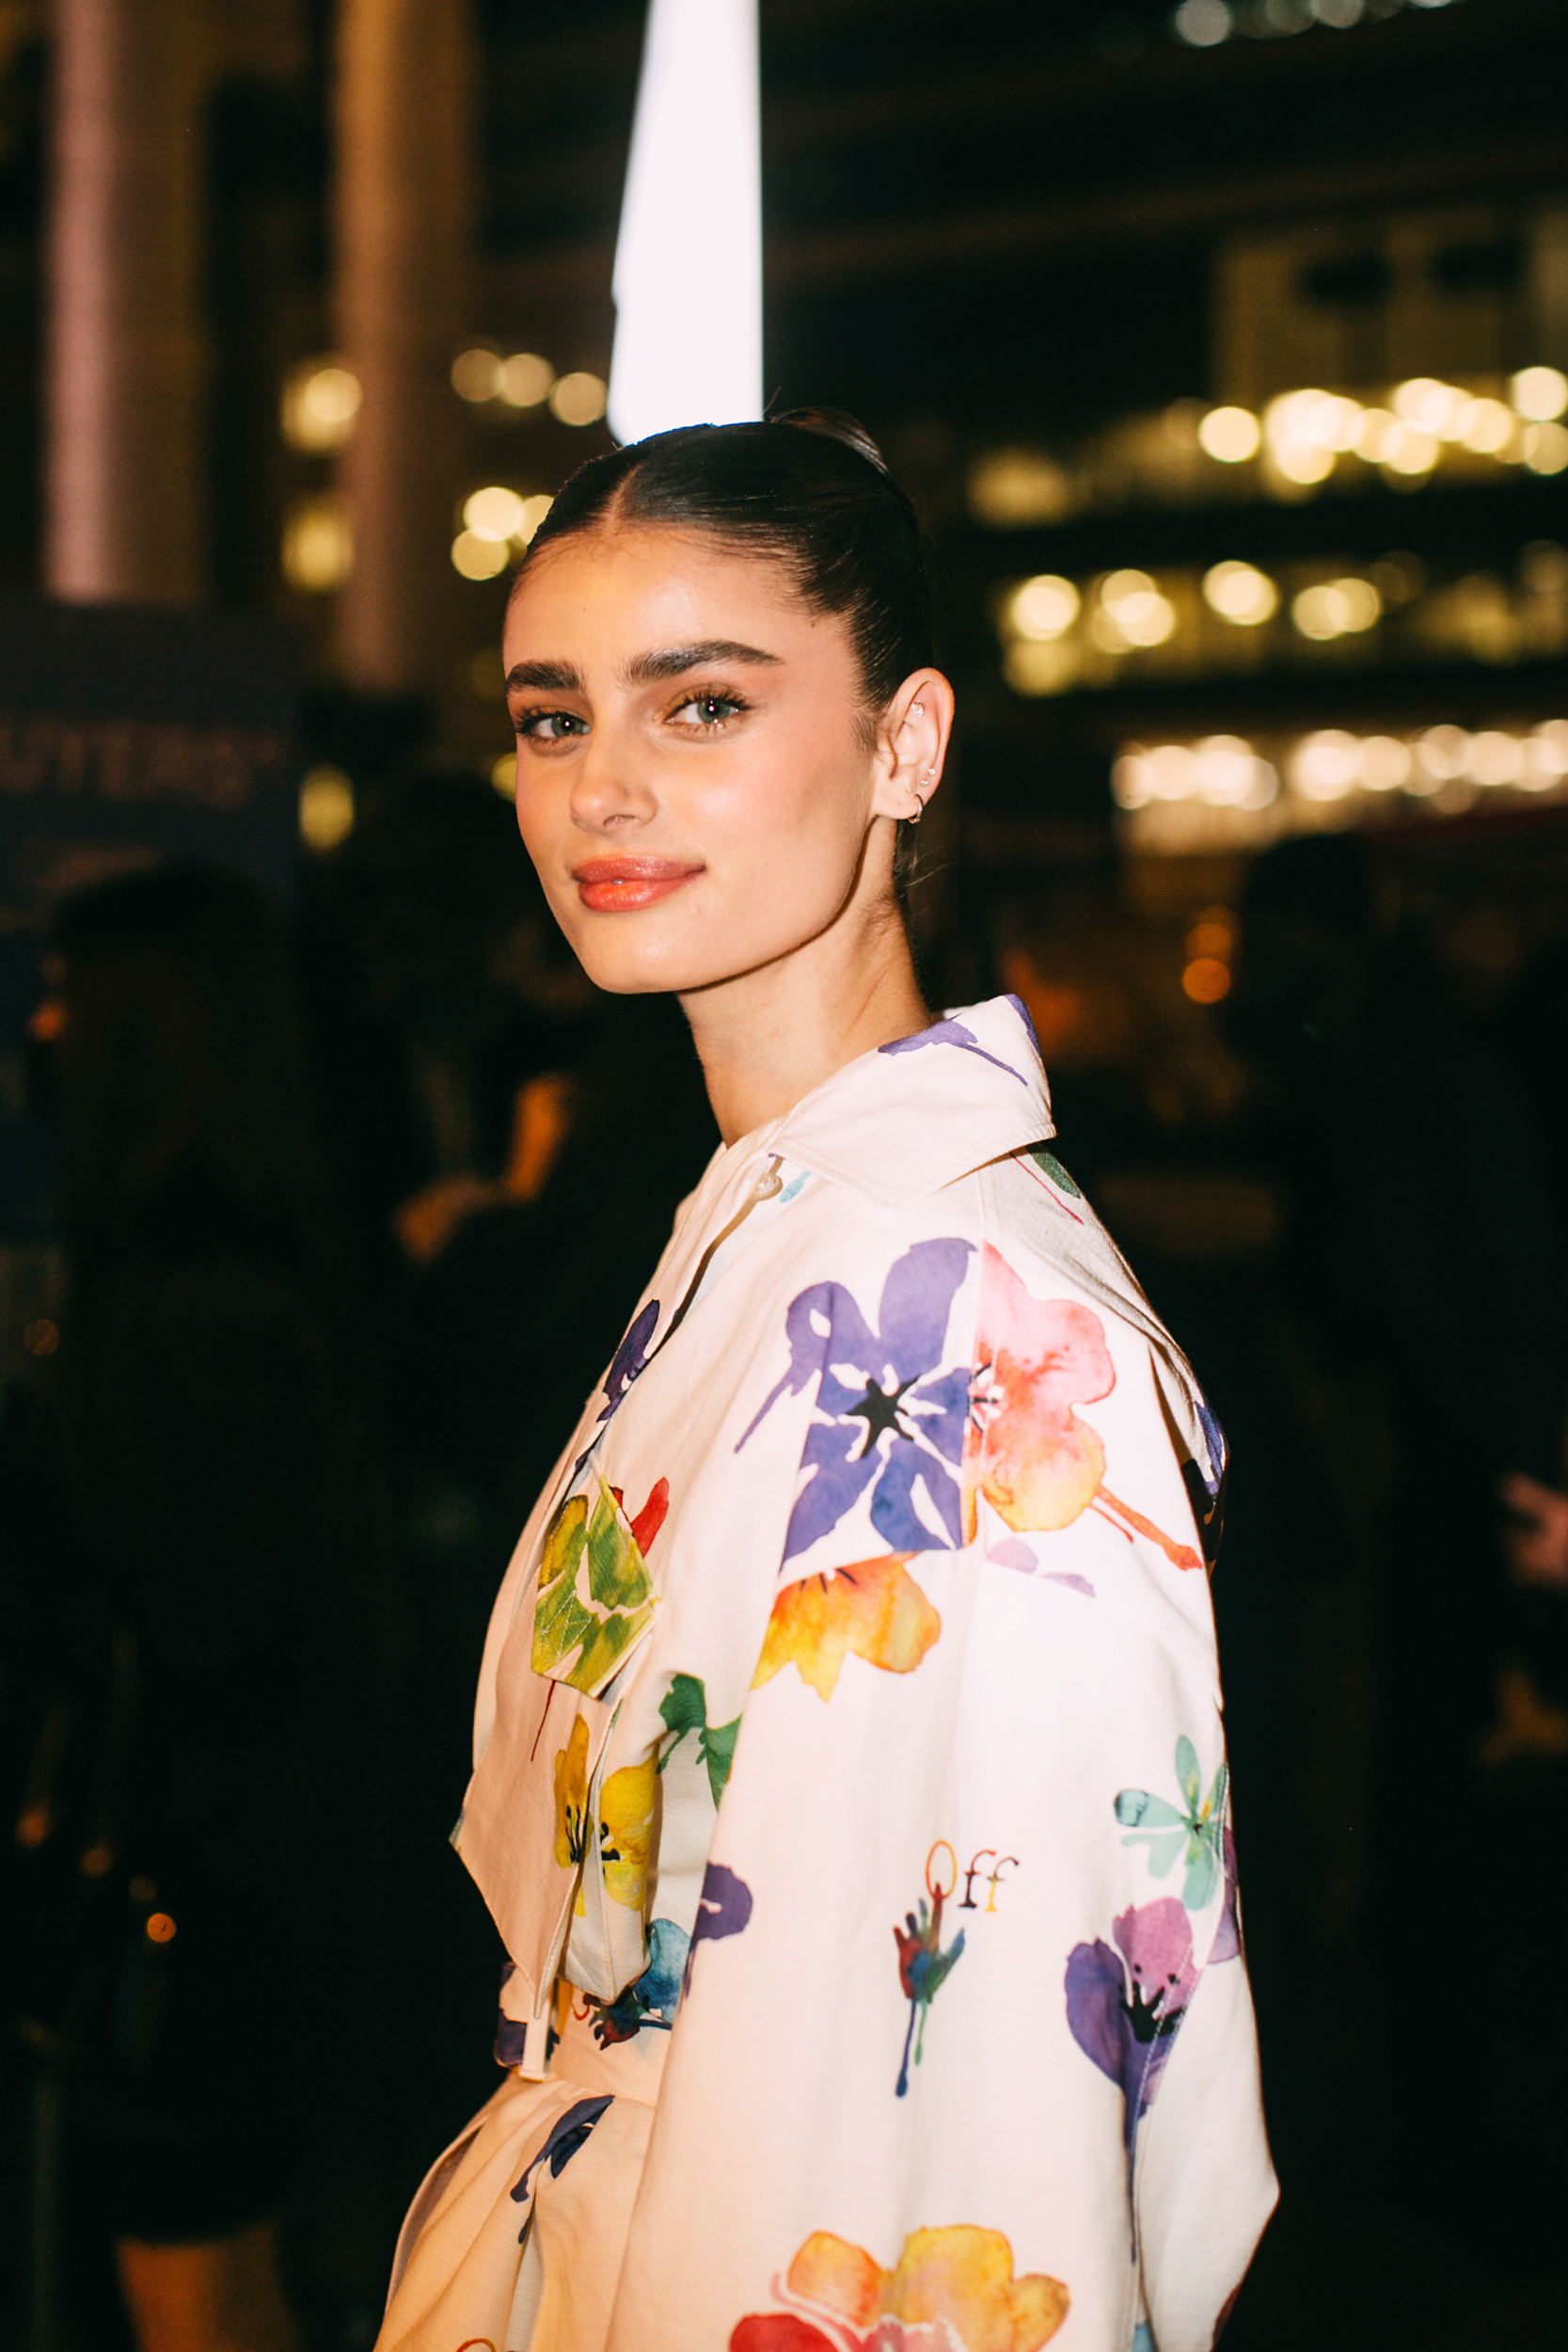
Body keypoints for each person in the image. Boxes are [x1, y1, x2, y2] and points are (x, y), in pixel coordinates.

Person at [376, 413, 1275, 2352]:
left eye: (702, 704)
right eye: (551, 719)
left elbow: (973, 2130)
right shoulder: (776, 1218)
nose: (604, 786)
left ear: (905, 743)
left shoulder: (966, 1328)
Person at [2, 865, 378, 2352]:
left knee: (197, 2291)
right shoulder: (264, 1264)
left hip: (196, 1895)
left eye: (66, 995)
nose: (40, 1028)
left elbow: (206, 1624)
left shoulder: (184, 1305)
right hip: (254, 1882)